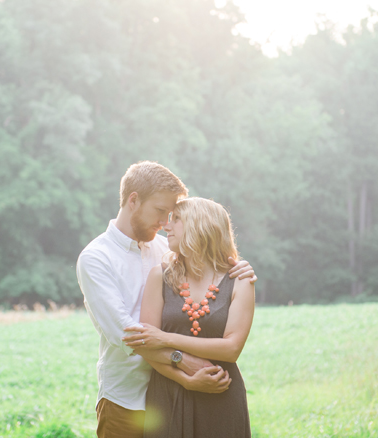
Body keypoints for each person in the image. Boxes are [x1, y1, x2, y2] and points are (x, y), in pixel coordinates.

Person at [76, 162, 256, 438]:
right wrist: (185, 364)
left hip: (177, 393)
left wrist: (240, 269)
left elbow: (211, 263)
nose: (164, 223)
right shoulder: (96, 258)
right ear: (133, 200)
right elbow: (128, 335)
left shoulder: (167, 249)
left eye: (171, 216)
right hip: (127, 398)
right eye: (160, 211)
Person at [123, 197, 254, 437]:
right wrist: (184, 378)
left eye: (176, 220)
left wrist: (165, 338)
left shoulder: (240, 280)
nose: (166, 226)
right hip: (167, 392)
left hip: (220, 391)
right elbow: (145, 344)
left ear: (200, 226)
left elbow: (231, 349)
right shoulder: (159, 276)